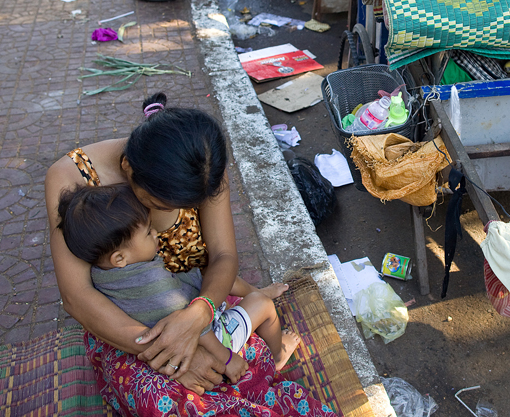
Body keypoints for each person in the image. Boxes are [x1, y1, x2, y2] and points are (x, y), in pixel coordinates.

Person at [45, 94, 335, 417]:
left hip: (198, 305)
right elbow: (76, 296)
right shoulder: (71, 178)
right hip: (131, 329)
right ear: (128, 168)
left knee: (236, 368)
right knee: (167, 401)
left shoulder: (202, 166)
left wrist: (200, 314)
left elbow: (224, 257)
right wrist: (175, 353)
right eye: (159, 206)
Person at [57, 184, 302, 380]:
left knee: (211, 275)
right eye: (149, 233)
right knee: (262, 305)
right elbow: (197, 327)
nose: (157, 236)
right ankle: (278, 353)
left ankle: (257, 293)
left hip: (171, 328)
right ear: (120, 257)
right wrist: (226, 359)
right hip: (209, 340)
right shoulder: (154, 284)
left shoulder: (104, 273)